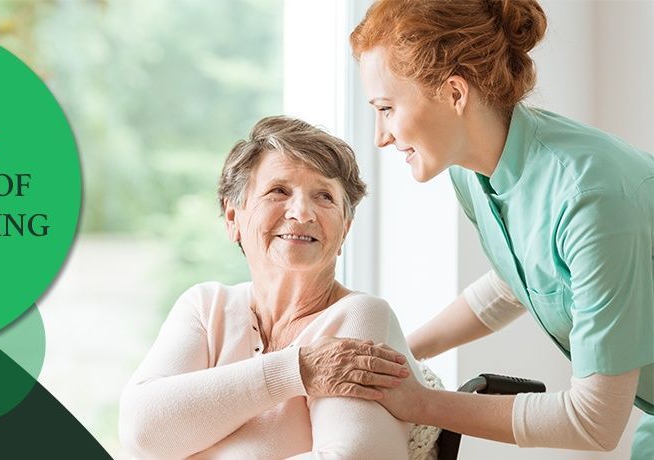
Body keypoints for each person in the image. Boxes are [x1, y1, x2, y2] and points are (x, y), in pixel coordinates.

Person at [350, 0, 653, 457]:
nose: (381, 135)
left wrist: (421, 403)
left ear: (455, 93)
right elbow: (521, 280)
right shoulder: (472, 171)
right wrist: (401, 355)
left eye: (387, 107)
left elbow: (594, 422)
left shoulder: (590, 199)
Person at [119, 116, 433, 459]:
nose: (301, 212)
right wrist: (297, 370)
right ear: (232, 218)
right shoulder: (206, 307)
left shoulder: (359, 317)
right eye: (278, 191)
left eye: (324, 196)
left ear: (344, 229)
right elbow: (141, 432)